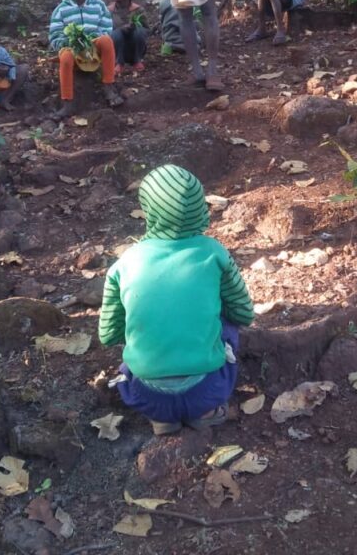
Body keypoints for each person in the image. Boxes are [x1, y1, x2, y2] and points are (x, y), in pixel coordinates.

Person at [98, 165, 254, 435]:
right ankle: (203, 413)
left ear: (148, 211)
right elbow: (244, 314)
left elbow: (108, 335)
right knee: (226, 320)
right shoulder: (215, 253)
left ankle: (163, 419)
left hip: (146, 395)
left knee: (134, 351)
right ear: (200, 208)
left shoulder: (124, 264)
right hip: (207, 389)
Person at [48, 0, 124, 117]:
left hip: (93, 48)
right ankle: (67, 103)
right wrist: (69, 42)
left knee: (106, 40)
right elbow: (55, 35)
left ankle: (108, 86)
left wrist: (89, 40)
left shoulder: (98, 5)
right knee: (66, 57)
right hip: (72, 50)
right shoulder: (61, 9)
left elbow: (106, 28)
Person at [108, 0, 149, 74]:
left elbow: (147, 30)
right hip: (117, 48)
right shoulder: (108, 11)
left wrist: (135, 27)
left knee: (139, 31)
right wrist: (120, 29)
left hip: (135, 46)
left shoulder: (138, 10)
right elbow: (106, 30)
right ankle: (119, 62)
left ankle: (137, 60)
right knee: (116, 33)